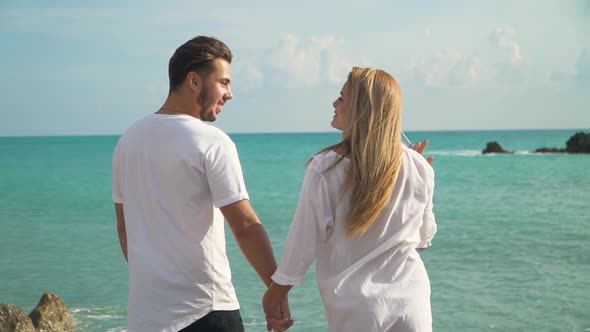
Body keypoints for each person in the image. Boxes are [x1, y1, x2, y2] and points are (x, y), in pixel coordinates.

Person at [112, 36, 293, 332]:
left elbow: (124, 227)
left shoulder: (127, 141)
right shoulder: (212, 142)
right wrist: (276, 290)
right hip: (206, 312)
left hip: (145, 318)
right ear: (194, 80)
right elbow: (245, 226)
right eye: (223, 83)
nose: (229, 94)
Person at [262, 67, 437, 332]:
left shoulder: (326, 169)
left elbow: (302, 246)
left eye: (342, 98)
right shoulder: (420, 167)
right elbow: (422, 240)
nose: (334, 103)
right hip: (413, 307)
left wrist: (273, 296)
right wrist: (413, 166)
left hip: (358, 313)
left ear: (360, 109)